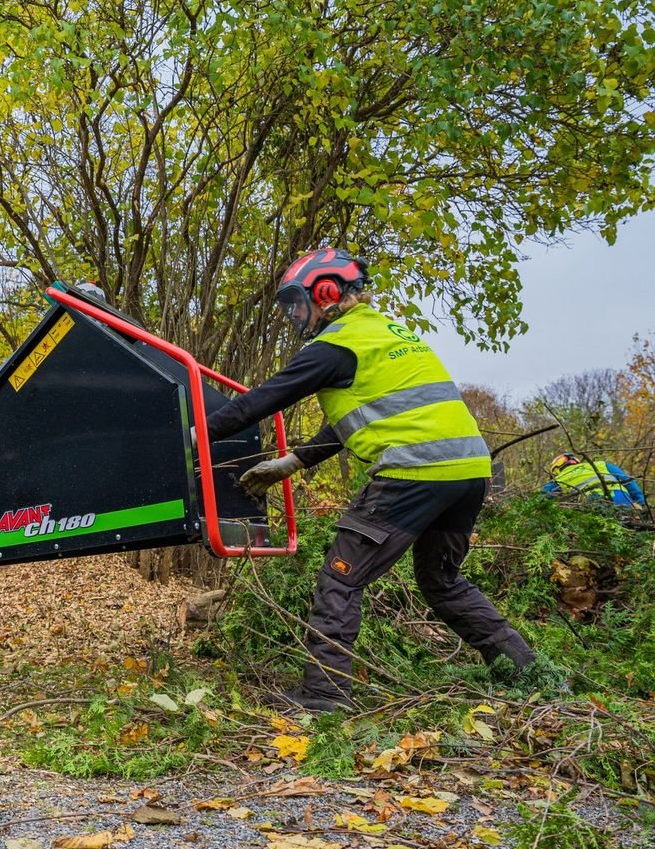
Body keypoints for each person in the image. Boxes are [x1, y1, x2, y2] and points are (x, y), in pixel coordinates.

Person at [205, 247, 539, 712]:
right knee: (442, 580)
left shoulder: (335, 345)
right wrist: (293, 462)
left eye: (297, 303)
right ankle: (530, 673)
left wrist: (193, 436)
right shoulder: (389, 334)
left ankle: (323, 698)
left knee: (340, 580)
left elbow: (261, 401)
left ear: (326, 293)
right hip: (468, 473)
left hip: (413, 473)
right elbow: (367, 415)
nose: (294, 316)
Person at [543, 453, 647, 508]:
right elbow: (628, 482)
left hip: (592, 503)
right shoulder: (601, 464)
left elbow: (541, 498)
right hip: (621, 498)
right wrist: (640, 503)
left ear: (556, 470)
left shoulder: (558, 479)